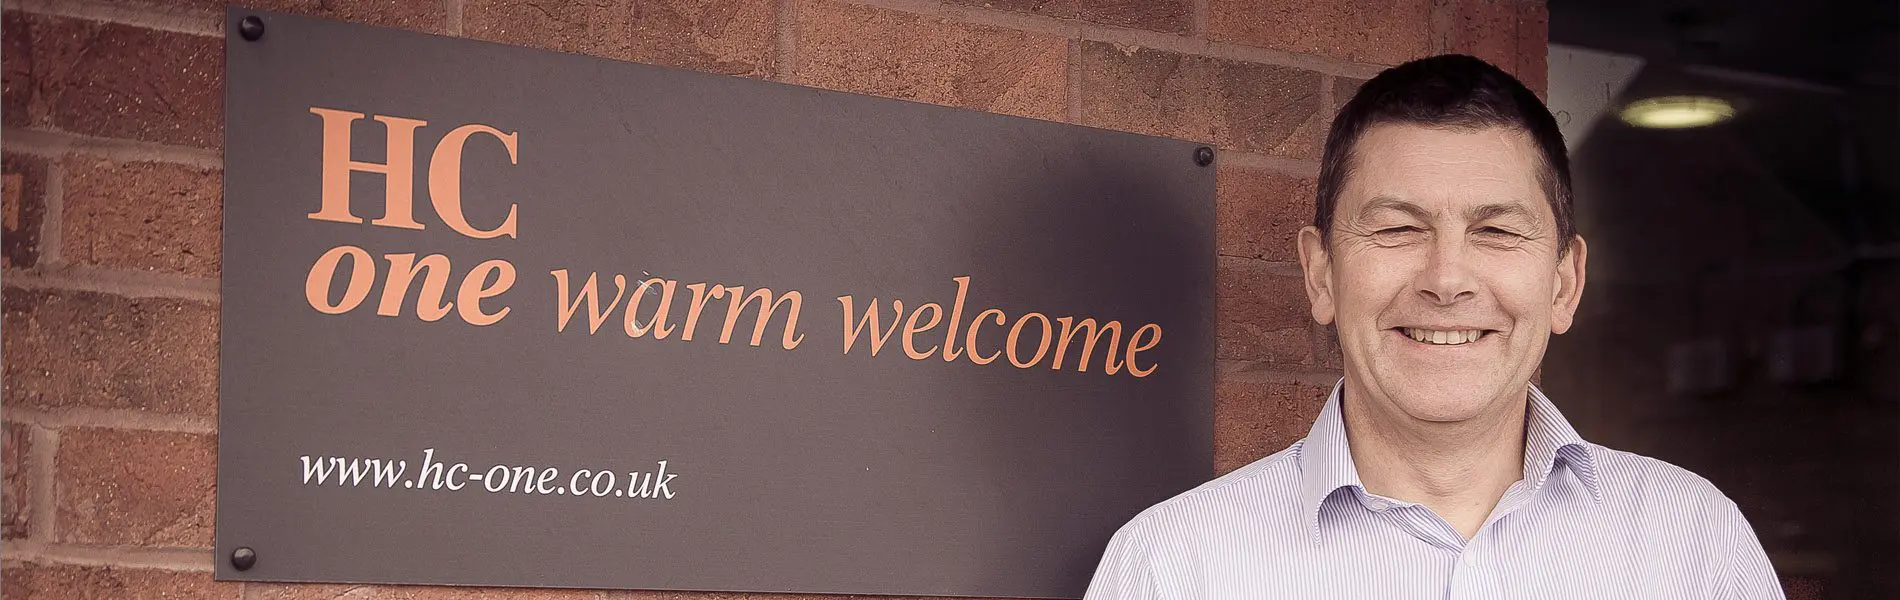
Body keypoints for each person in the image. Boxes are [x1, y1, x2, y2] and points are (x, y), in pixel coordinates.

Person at [1082, 54, 1784, 599]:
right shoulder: (1174, 567)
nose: (1447, 279)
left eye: (1498, 231)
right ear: (1321, 273)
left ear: (1565, 283)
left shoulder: (1693, 545)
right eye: (1396, 228)